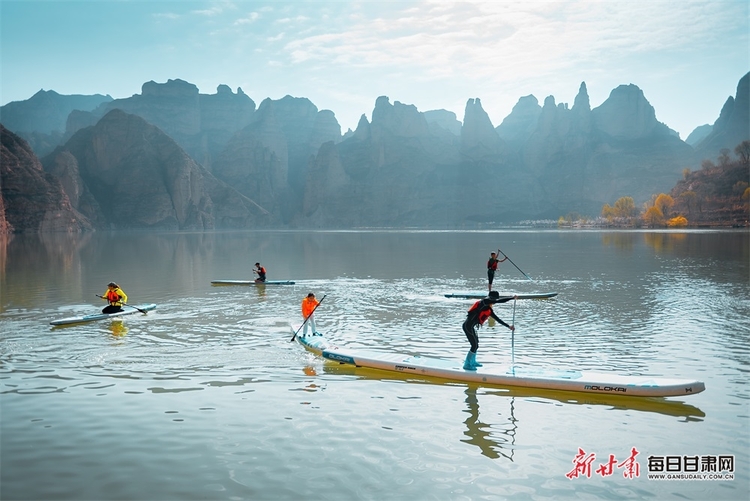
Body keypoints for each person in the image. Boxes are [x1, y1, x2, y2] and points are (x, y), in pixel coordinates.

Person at [462, 290, 515, 370]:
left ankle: (473, 362)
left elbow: (498, 319)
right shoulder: (484, 302)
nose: (493, 303)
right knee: (474, 345)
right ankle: (467, 364)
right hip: (467, 326)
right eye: (493, 300)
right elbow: (499, 301)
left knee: (476, 344)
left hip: (471, 327)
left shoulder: (488, 309)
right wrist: (512, 298)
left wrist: (509, 326)